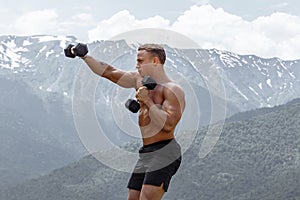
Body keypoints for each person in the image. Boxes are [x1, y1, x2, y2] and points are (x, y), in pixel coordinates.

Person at [80, 43, 185, 200]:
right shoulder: (138, 80)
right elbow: (109, 72)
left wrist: (147, 101)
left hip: (165, 151)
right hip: (146, 152)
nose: (137, 65)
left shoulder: (172, 89)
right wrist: (84, 56)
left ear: (155, 61)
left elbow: (168, 125)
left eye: (140, 61)